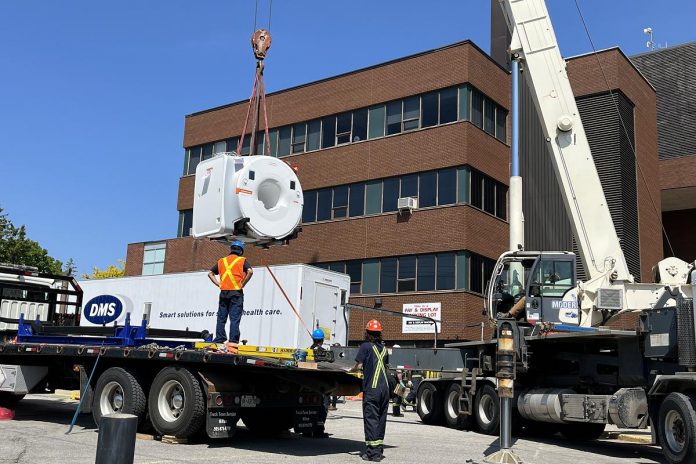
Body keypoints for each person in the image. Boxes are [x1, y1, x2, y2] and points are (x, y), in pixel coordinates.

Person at [351, 319, 390, 462]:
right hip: (384, 389)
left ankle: (372, 454)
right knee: (381, 419)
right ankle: (378, 449)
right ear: (379, 333)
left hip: (372, 390)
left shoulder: (365, 346)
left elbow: (358, 365)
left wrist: (350, 370)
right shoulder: (384, 349)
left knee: (371, 420)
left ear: (367, 333)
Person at [208, 241, 253, 351]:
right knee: (234, 319)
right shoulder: (242, 260)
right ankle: (233, 341)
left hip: (223, 293)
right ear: (241, 251)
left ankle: (219, 338)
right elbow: (250, 271)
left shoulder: (222, 261)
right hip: (236, 293)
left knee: (221, 317)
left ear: (231, 249)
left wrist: (218, 283)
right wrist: (243, 283)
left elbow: (210, 273)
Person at [306, 328, 330, 438]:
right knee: (322, 407)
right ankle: (318, 430)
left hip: (308, 384)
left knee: (308, 407)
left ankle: (306, 430)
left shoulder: (307, 351)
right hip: (321, 385)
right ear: (322, 340)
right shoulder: (324, 352)